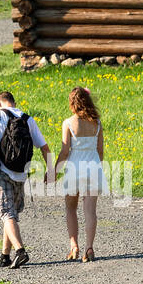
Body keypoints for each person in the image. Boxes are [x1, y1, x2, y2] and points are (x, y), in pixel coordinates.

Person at [0, 91, 52, 269]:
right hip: (21, 173)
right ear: (14, 102)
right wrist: (50, 170)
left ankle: (20, 251)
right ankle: (5, 256)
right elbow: (44, 147)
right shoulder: (27, 119)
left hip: (2, 171)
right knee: (11, 214)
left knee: (5, 212)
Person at [52, 86, 108, 262]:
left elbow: (64, 152)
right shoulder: (97, 123)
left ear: (72, 103)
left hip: (74, 168)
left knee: (70, 208)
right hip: (93, 167)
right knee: (90, 211)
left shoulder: (68, 123)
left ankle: (74, 246)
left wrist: (54, 171)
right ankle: (89, 248)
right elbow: (100, 152)